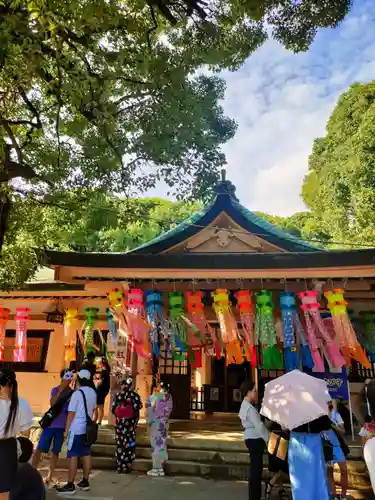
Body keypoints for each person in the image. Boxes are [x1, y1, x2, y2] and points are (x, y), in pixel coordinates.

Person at [56, 369, 97, 495]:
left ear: (79, 379)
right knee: (86, 453)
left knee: (73, 456)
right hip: (87, 429)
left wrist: (66, 431)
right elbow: (94, 410)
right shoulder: (93, 393)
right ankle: (85, 481)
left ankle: (70, 484)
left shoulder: (77, 393)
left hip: (77, 428)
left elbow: (71, 413)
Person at [32, 369, 75, 486]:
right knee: (39, 449)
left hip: (61, 427)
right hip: (51, 425)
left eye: (70, 377)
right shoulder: (55, 390)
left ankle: (49, 476)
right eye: (67, 376)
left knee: (55, 452)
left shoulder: (72, 393)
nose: (69, 379)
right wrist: (61, 389)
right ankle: (32, 473)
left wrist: (67, 429)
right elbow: (52, 403)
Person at [0, 368, 34, 500]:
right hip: (7, 448)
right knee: (4, 489)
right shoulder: (22, 404)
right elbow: (26, 432)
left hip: (7, 448)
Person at [288, 415, 332, 500]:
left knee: (300, 478)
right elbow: (327, 427)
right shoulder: (314, 407)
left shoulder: (291, 407)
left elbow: (283, 426)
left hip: (296, 441)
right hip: (312, 440)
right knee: (317, 474)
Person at [238, 382, 268, 500]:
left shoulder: (245, 405)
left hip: (251, 438)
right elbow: (259, 426)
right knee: (256, 470)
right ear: (249, 392)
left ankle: (254, 495)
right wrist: (268, 438)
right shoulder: (249, 408)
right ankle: (255, 496)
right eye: (254, 390)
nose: (256, 393)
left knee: (255, 469)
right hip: (255, 439)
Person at [112, 373, 142, 474]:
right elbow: (137, 410)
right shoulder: (135, 396)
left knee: (120, 445)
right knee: (130, 445)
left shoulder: (117, 396)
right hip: (130, 426)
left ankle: (120, 466)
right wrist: (135, 422)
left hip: (120, 425)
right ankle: (128, 465)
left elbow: (113, 410)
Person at [146, 381, 173, 477]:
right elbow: (169, 411)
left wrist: (148, 424)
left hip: (155, 423)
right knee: (162, 444)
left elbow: (149, 412)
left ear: (158, 387)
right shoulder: (169, 397)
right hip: (164, 424)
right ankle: (161, 467)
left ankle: (156, 468)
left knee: (155, 445)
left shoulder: (153, 397)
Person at [325, 401, 348, 500]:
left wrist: (332, 425)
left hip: (337, 447)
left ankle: (343, 495)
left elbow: (343, 431)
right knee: (330, 473)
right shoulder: (318, 417)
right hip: (327, 449)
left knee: (344, 470)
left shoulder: (336, 415)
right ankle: (334, 495)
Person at [264, 420, 289, 500]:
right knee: (277, 466)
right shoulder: (271, 411)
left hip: (283, 437)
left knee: (282, 464)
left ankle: (272, 483)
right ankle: (280, 488)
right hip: (274, 437)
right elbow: (266, 425)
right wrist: (273, 419)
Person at [94, 359, 110, 425]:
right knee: (101, 406)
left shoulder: (104, 371)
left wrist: (96, 377)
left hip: (100, 390)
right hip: (104, 390)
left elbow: (99, 379)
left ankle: (95, 420)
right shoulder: (107, 371)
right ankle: (99, 421)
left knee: (96, 406)